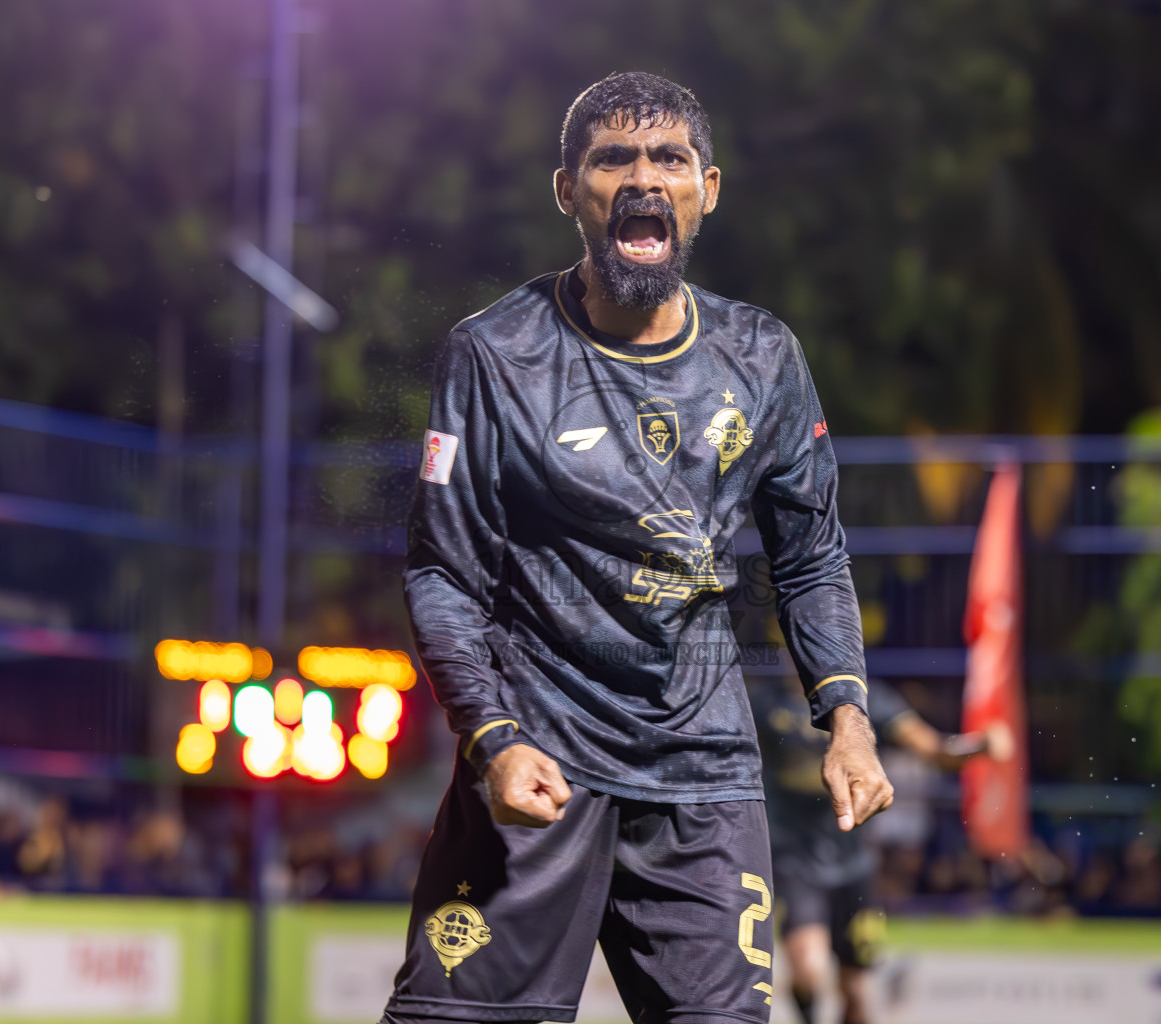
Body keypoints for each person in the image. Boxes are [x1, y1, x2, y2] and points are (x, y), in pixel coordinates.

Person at [384, 72, 892, 1024]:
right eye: (612, 159)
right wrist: (492, 739)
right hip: (540, 762)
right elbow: (443, 572)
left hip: (703, 774)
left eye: (668, 159)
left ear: (707, 188)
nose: (642, 178)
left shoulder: (765, 358)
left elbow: (812, 557)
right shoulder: (495, 356)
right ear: (569, 190)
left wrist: (848, 720)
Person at [751, 674, 1002, 1024]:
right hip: (796, 860)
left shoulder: (866, 700)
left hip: (855, 864)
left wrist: (979, 746)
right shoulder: (763, 702)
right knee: (809, 969)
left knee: (856, 991)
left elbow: (934, 749)